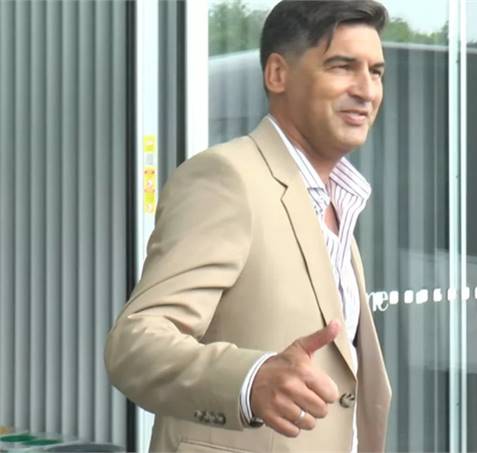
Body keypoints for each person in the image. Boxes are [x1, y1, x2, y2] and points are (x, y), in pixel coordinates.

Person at [104, 1, 391, 452]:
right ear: (277, 74)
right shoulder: (227, 178)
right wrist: (250, 379)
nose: (366, 90)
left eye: (376, 72)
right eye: (342, 66)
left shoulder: (340, 198)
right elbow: (135, 345)